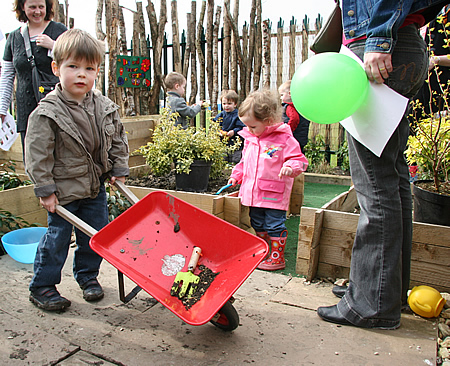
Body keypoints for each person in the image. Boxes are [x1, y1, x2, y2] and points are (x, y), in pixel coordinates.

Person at [317, 0, 447, 329]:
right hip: (402, 44)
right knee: (392, 179)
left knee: (375, 184)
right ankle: (383, 292)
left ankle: (372, 303)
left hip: (381, 51)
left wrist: (378, 39)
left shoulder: (380, 40)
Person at [24, 29, 130, 311]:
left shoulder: (104, 107)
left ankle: (88, 278)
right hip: (62, 192)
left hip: (94, 187)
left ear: (97, 71)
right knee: (57, 240)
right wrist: (45, 189)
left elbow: (117, 137)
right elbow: (37, 155)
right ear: (57, 68)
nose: (81, 74)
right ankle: (42, 286)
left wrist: (118, 167)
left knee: (95, 236)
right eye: (73, 66)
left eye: (89, 68)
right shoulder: (47, 112)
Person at [227, 90, 308, 271]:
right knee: (256, 222)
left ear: (269, 121)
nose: (249, 130)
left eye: (253, 126)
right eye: (246, 126)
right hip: (253, 193)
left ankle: (277, 257)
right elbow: (244, 161)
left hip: (273, 193)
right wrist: (236, 176)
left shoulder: (284, 139)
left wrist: (290, 167)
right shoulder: (251, 138)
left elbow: (299, 160)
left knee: (274, 224)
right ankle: (264, 252)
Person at [0, 0, 67, 160]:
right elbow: (7, 75)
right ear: (22, 7)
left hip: (57, 108)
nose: (37, 11)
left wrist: (54, 46)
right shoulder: (14, 37)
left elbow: (75, 60)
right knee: (33, 160)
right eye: (32, 7)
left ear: (47, 7)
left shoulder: (59, 30)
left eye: (40, 7)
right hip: (27, 110)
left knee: (60, 158)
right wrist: (2, 109)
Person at [213, 89, 245, 163]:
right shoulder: (221, 115)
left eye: (229, 103)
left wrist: (234, 132)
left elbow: (242, 128)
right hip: (224, 144)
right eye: (224, 104)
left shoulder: (237, 115)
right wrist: (219, 132)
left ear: (235, 104)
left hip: (236, 144)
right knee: (223, 160)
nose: (226, 106)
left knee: (236, 160)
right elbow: (215, 125)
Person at [278, 80, 310, 152]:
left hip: (292, 138)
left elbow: (294, 119)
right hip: (301, 138)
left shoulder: (290, 107)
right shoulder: (301, 107)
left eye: (282, 95)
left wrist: (286, 131)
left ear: (290, 94)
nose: (281, 98)